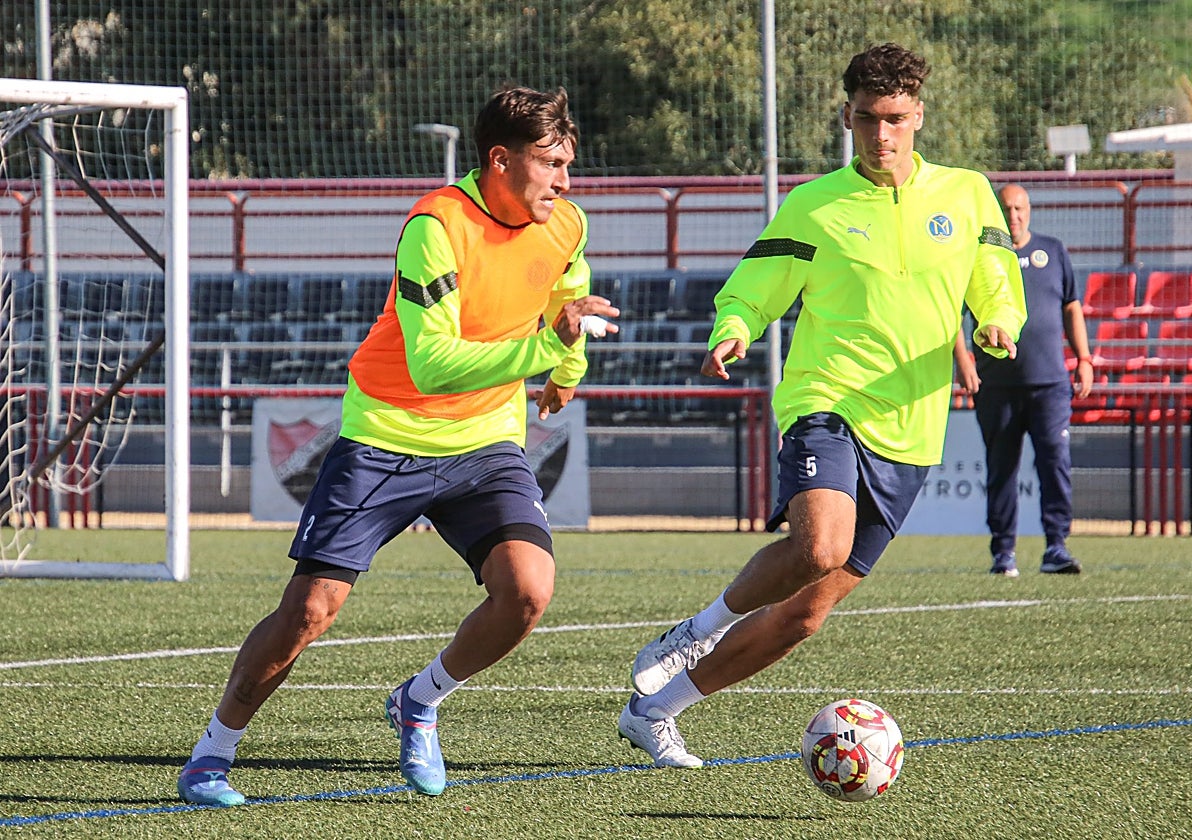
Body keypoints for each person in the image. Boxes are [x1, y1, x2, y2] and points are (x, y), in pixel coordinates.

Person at [177, 84, 619, 805]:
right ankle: (211, 753)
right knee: (309, 611)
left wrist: (566, 372)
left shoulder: (566, 224)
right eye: (550, 163)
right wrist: (545, 351)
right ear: (500, 160)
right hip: (387, 436)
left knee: (528, 594)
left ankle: (420, 699)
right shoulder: (434, 226)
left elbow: (570, 301)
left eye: (569, 163)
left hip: (485, 445)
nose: (565, 181)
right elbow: (433, 363)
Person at [616, 43, 1026, 768]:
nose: (881, 135)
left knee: (805, 612)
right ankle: (697, 629)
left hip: (914, 428)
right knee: (819, 546)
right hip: (826, 399)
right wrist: (733, 328)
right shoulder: (814, 203)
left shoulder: (966, 194)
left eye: (895, 119)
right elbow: (754, 285)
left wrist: (999, 321)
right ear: (847, 115)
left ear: (919, 115)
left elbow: (993, 276)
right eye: (867, 119)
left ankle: (655, 712)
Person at [953, 184, 1092, 577]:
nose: (1012, 215)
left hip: (1050, 384)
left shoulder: (1054, 251)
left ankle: (1057, 547)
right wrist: (963, 358)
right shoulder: (978, 256)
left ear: (1028, 211)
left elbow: (1072, 308)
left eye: (1019, 208)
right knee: (1002, 468)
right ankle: (1003, 553)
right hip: (996, 386)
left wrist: (1084, 358)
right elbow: (953, 314)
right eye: (1005, 208)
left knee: (1055, 463)